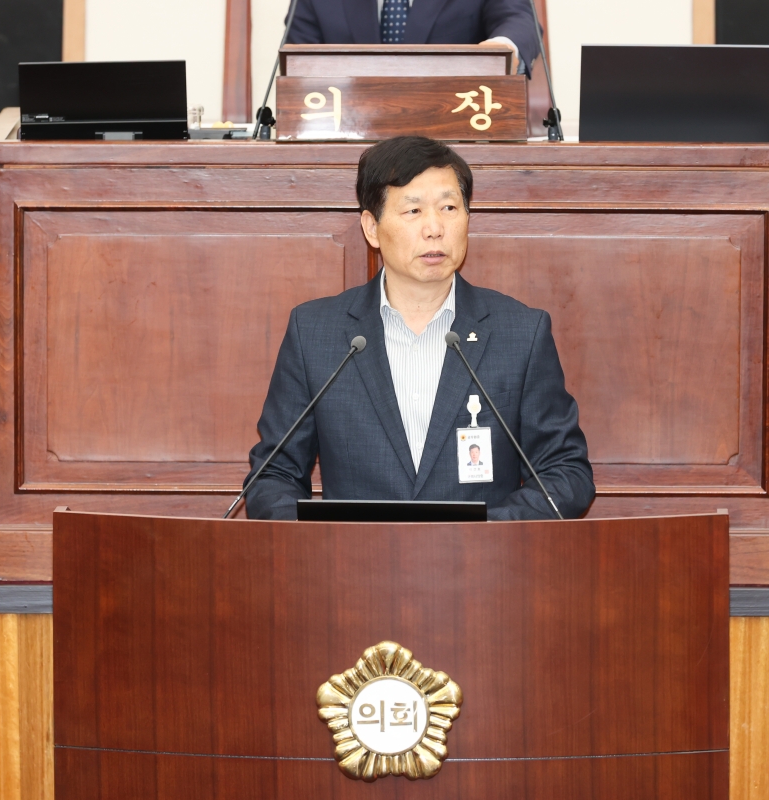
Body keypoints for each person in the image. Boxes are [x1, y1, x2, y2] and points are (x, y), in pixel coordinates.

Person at [243, 135, 593, 520]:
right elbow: (273, 475)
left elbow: (566, 473)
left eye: (449, 208)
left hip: (482, 555)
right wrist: (326, 543)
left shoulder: (520, 332)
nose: (434, 228)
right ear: (371, 227)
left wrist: (485, 532)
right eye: (413, 210)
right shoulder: (315, 333)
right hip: (353, 556)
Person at [285, 0, 540, 76]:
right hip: (350, 141)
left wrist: (500, 50)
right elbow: (299, 65)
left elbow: (517, 20)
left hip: (455, 139)